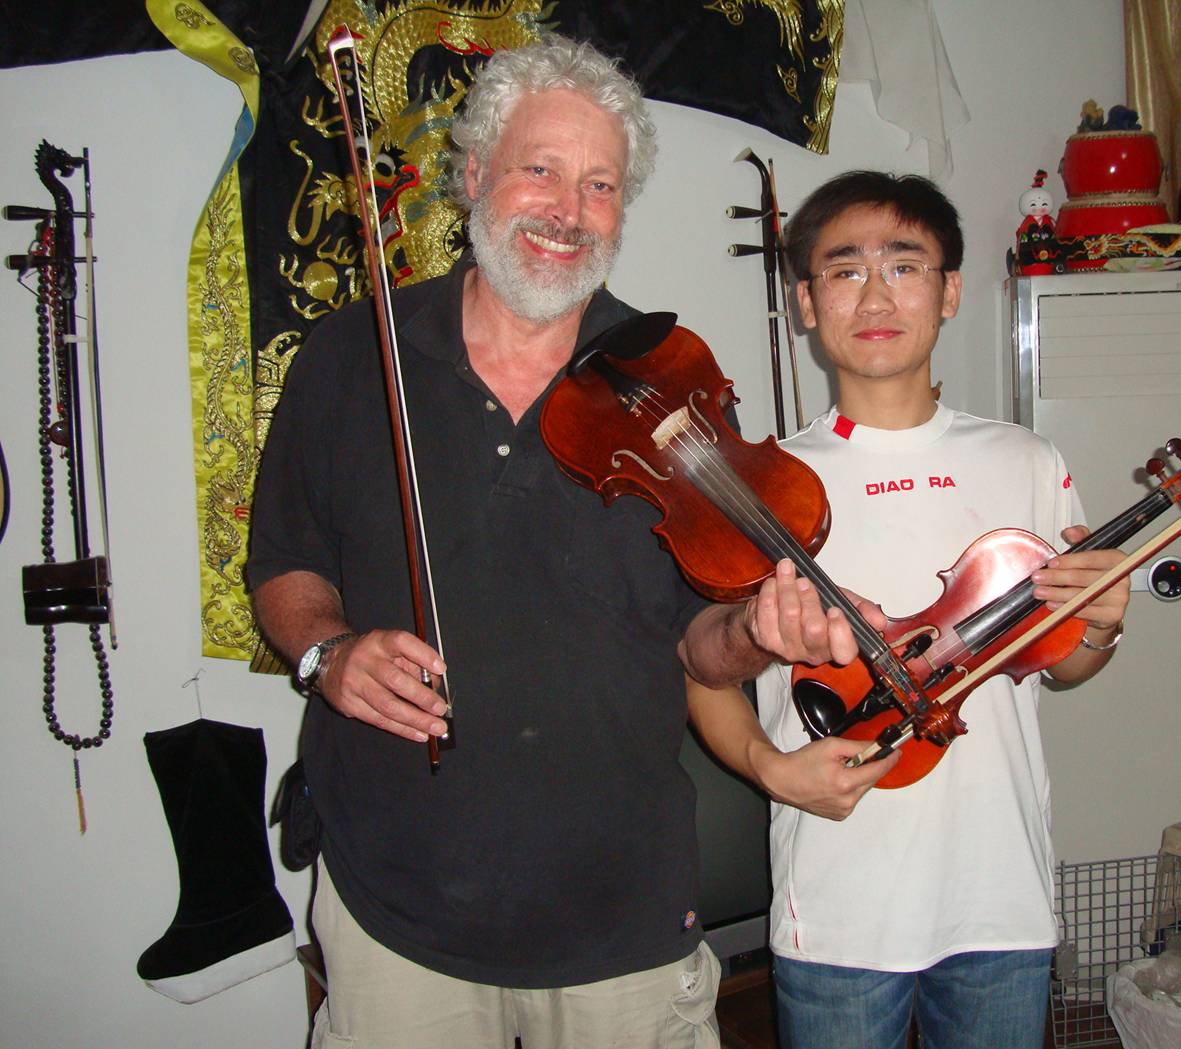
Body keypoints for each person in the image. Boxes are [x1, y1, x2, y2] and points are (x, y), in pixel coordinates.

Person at [247, 36, 859, 1049]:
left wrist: (757, 631)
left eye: (601, 183)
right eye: (541, 169)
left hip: (622, 913)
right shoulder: (354, 355)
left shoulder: (671, 379)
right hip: (396, 907)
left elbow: (697, 640)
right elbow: (283, 563)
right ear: (475, 173)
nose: (569, 210)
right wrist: (327, 651)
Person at [686, 171, 1132, 1049]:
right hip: (839, 903)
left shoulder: (1027, 459)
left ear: (949, 291)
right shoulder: (760, 483)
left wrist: (1104, 624)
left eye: (906, 265)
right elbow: (704, 680)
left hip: (999, 896)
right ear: (807, 304)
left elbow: (1062, 661)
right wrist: (773, 772)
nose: (877, 294)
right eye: (845, 271)